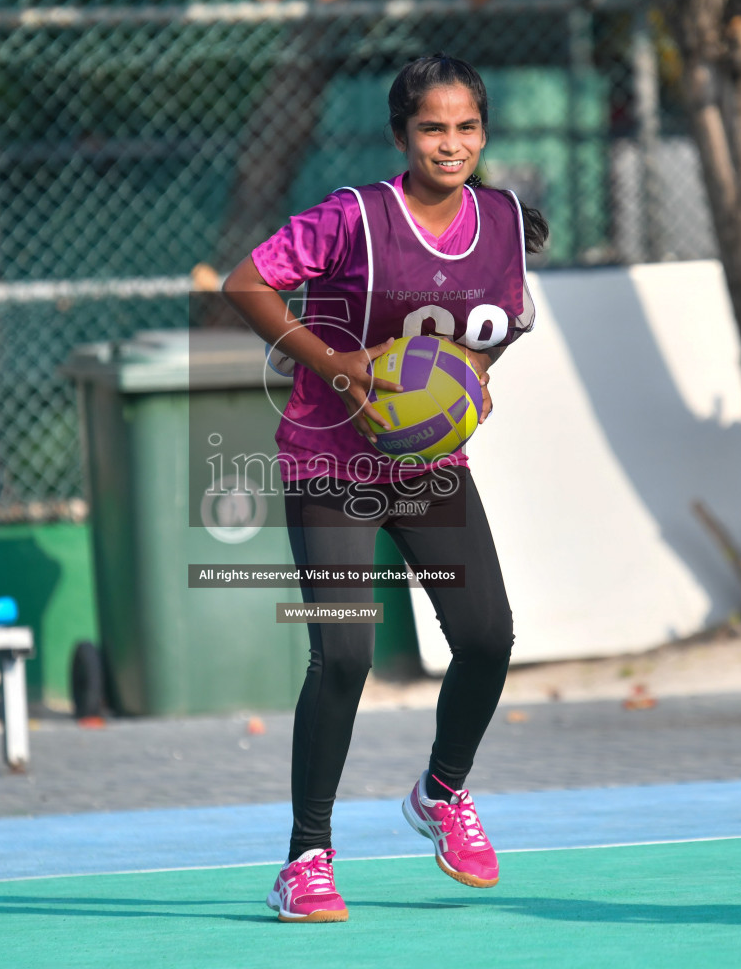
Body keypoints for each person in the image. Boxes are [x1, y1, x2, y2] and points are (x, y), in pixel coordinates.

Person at [223, 53, 548, 923]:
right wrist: (332, 365)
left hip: (428, 464)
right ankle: (307, 859)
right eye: (434, 128)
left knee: (488, 637)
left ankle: (441, 794)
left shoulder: (505, 220)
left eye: (467, 127)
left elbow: (503, 323)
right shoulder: (354, 218)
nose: (452, 143)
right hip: (330, 459)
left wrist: (468, 376)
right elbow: (245, 282)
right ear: (402, 134)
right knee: (347, 655)